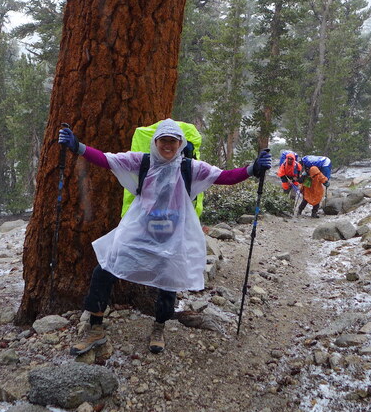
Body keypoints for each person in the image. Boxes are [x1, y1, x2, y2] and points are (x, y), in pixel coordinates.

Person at [58, 119, 271, 355]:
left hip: (172, 233)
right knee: (105, 269)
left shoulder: (190, 167)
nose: (168, 146)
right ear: (155, 142)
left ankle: (159, 326)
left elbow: (225, 176)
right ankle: (95, 329)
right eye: (163, 141)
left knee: (168, 282)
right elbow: (108, 160)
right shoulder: (143, 161)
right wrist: (78, 147)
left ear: (180, 144)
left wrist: (253, 169)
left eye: (173, 141)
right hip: (139, 230)